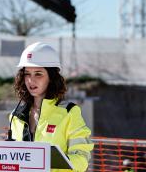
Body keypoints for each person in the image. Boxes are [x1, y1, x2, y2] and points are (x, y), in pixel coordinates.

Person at [8, 42, 94, 172]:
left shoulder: (69, 113)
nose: (31, 80)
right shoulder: (16, 116)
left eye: (38, 74)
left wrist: (50, 161)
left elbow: (81, 159)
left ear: (51, 78)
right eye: (27, 74)